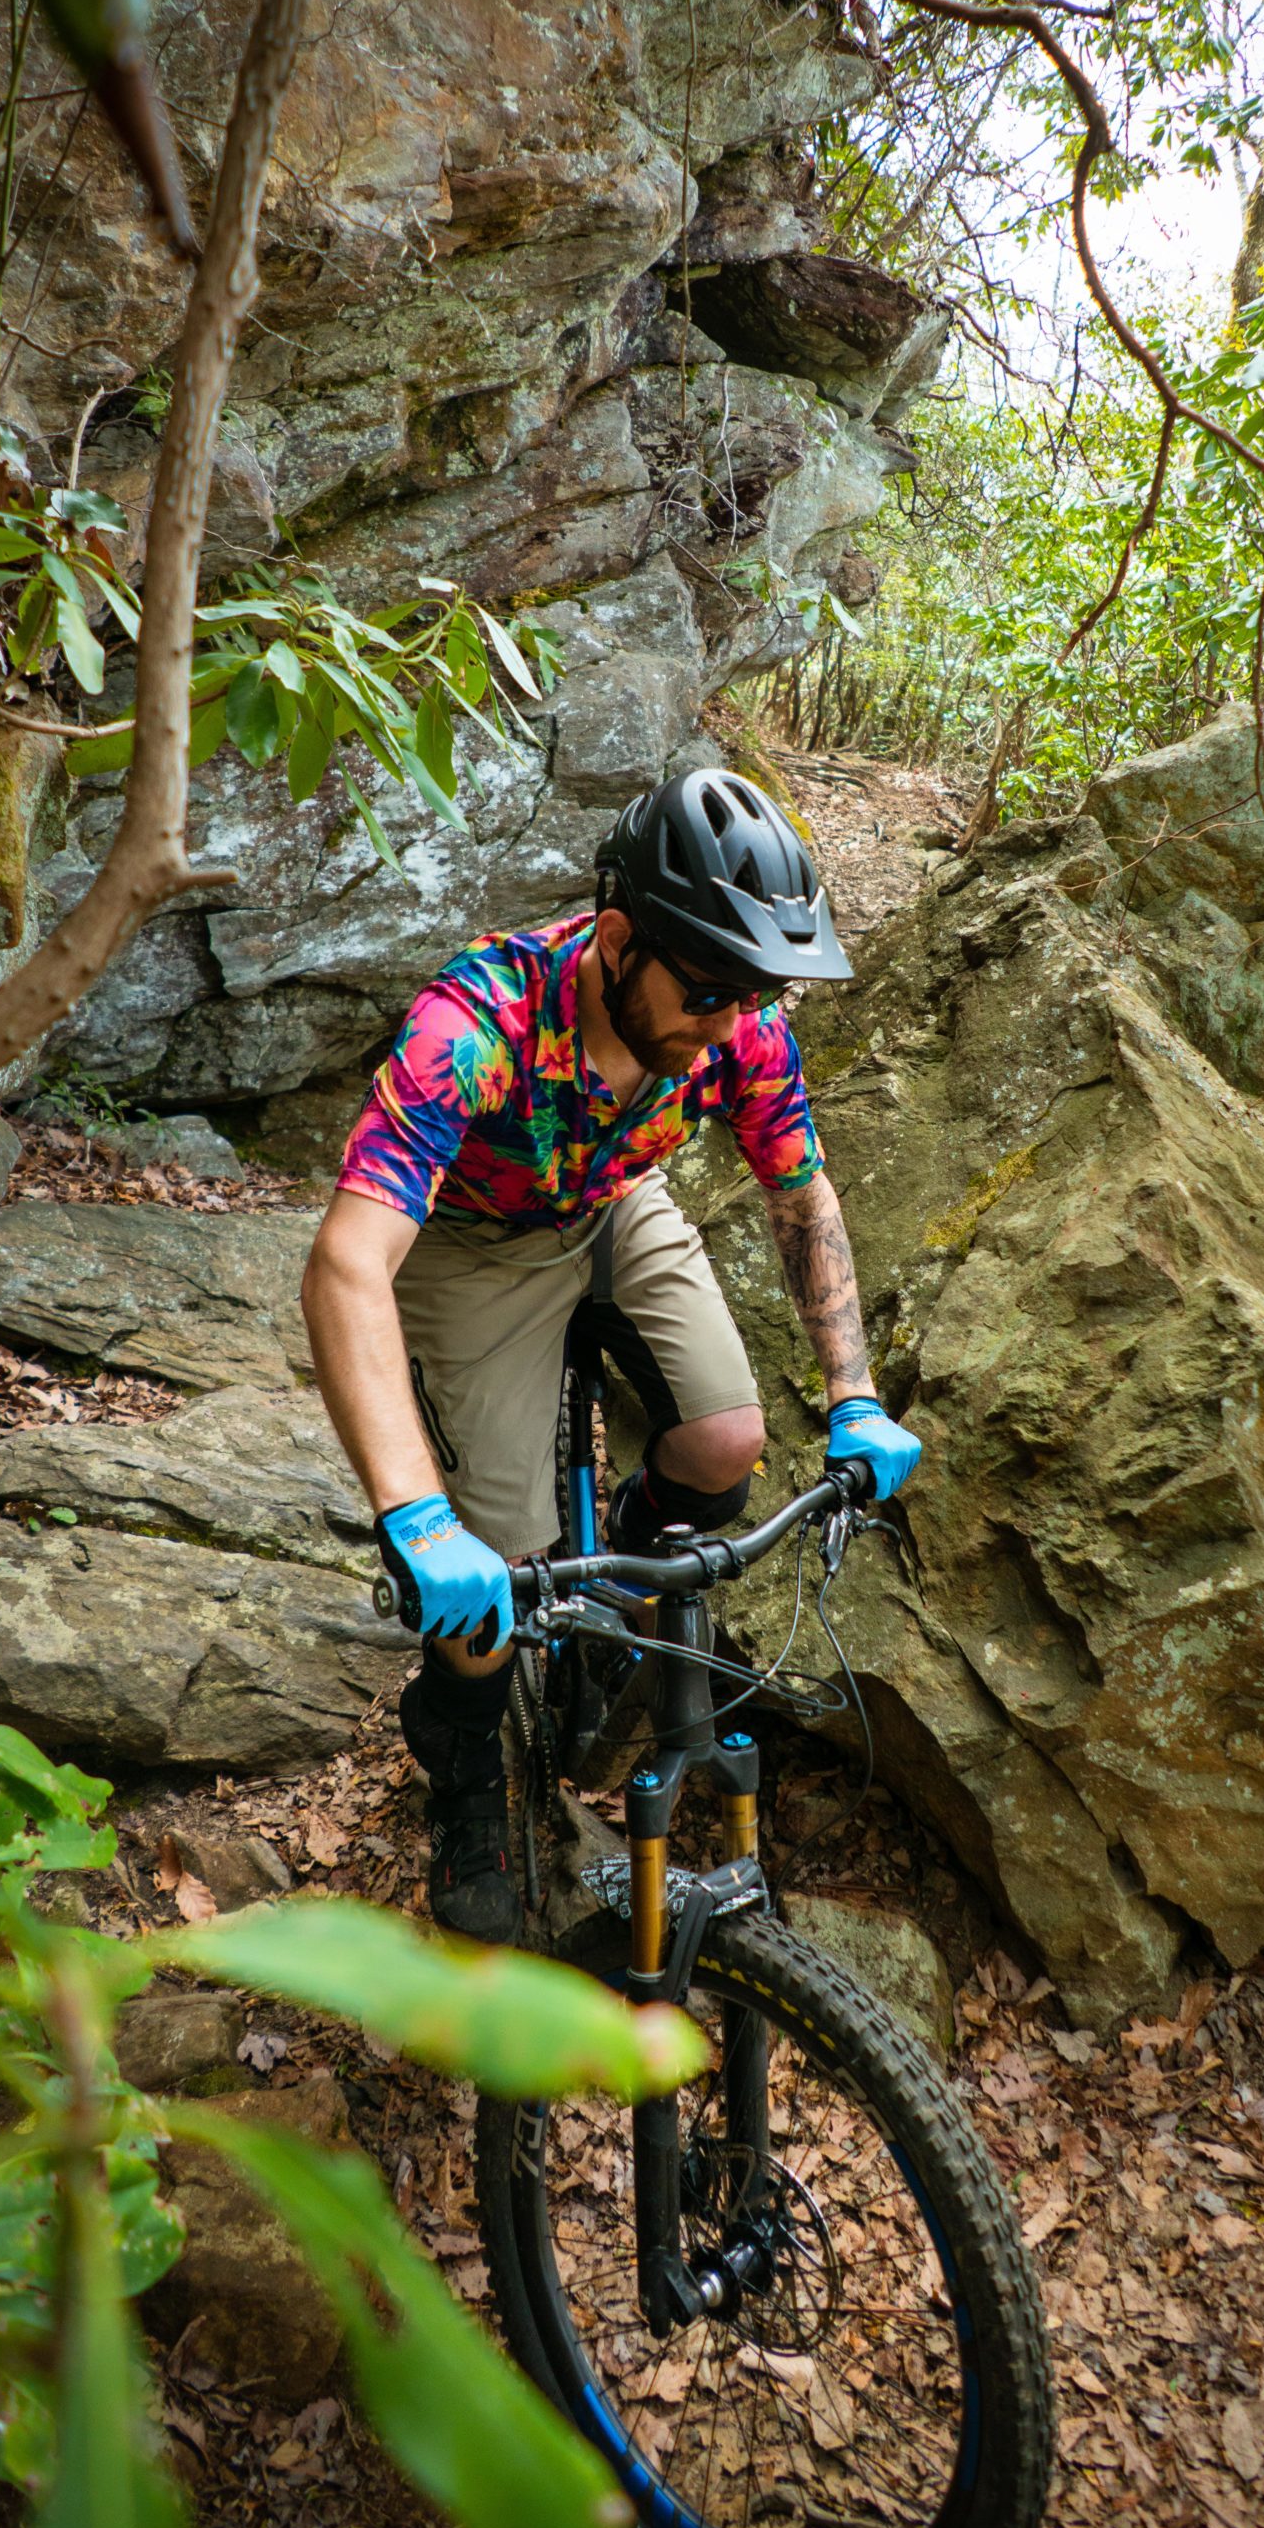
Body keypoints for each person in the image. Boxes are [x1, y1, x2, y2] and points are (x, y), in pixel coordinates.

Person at [300, 766, 921, 1941]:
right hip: (471, 1242)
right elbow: (344, 1265)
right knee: (505, 1577)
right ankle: (464, 1755)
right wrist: (415, 1517)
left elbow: (801, 1194)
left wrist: (856, 1398)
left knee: (725, 1437)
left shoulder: (734, 1029)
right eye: (709, 990)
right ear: (622, 941)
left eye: (755, 993)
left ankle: (617, 1589)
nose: (732, 1024)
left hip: (614, 1203)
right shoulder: (472, 1024)